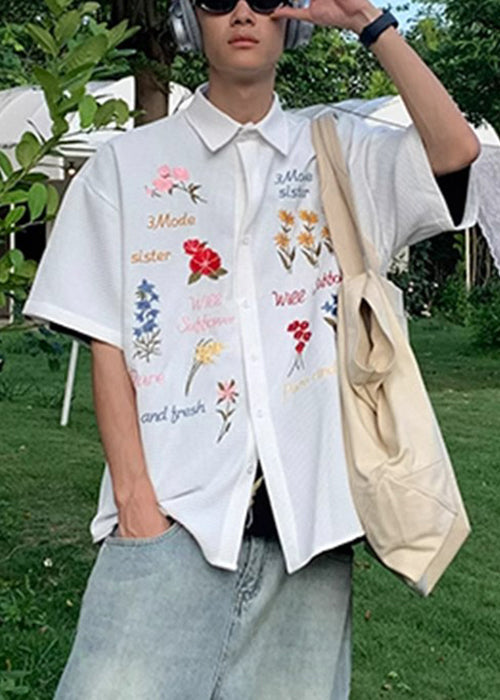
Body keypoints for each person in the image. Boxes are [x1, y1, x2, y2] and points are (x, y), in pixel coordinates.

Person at [23, 0, 480, 697]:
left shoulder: (339, 152)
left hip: (310, 538)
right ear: (189, 21)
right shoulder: (125, 168)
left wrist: (370, 23)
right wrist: (137, 504)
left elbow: (455, 152)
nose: (242, 12)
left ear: (292, 21)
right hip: (172, 524)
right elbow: (106, 342)